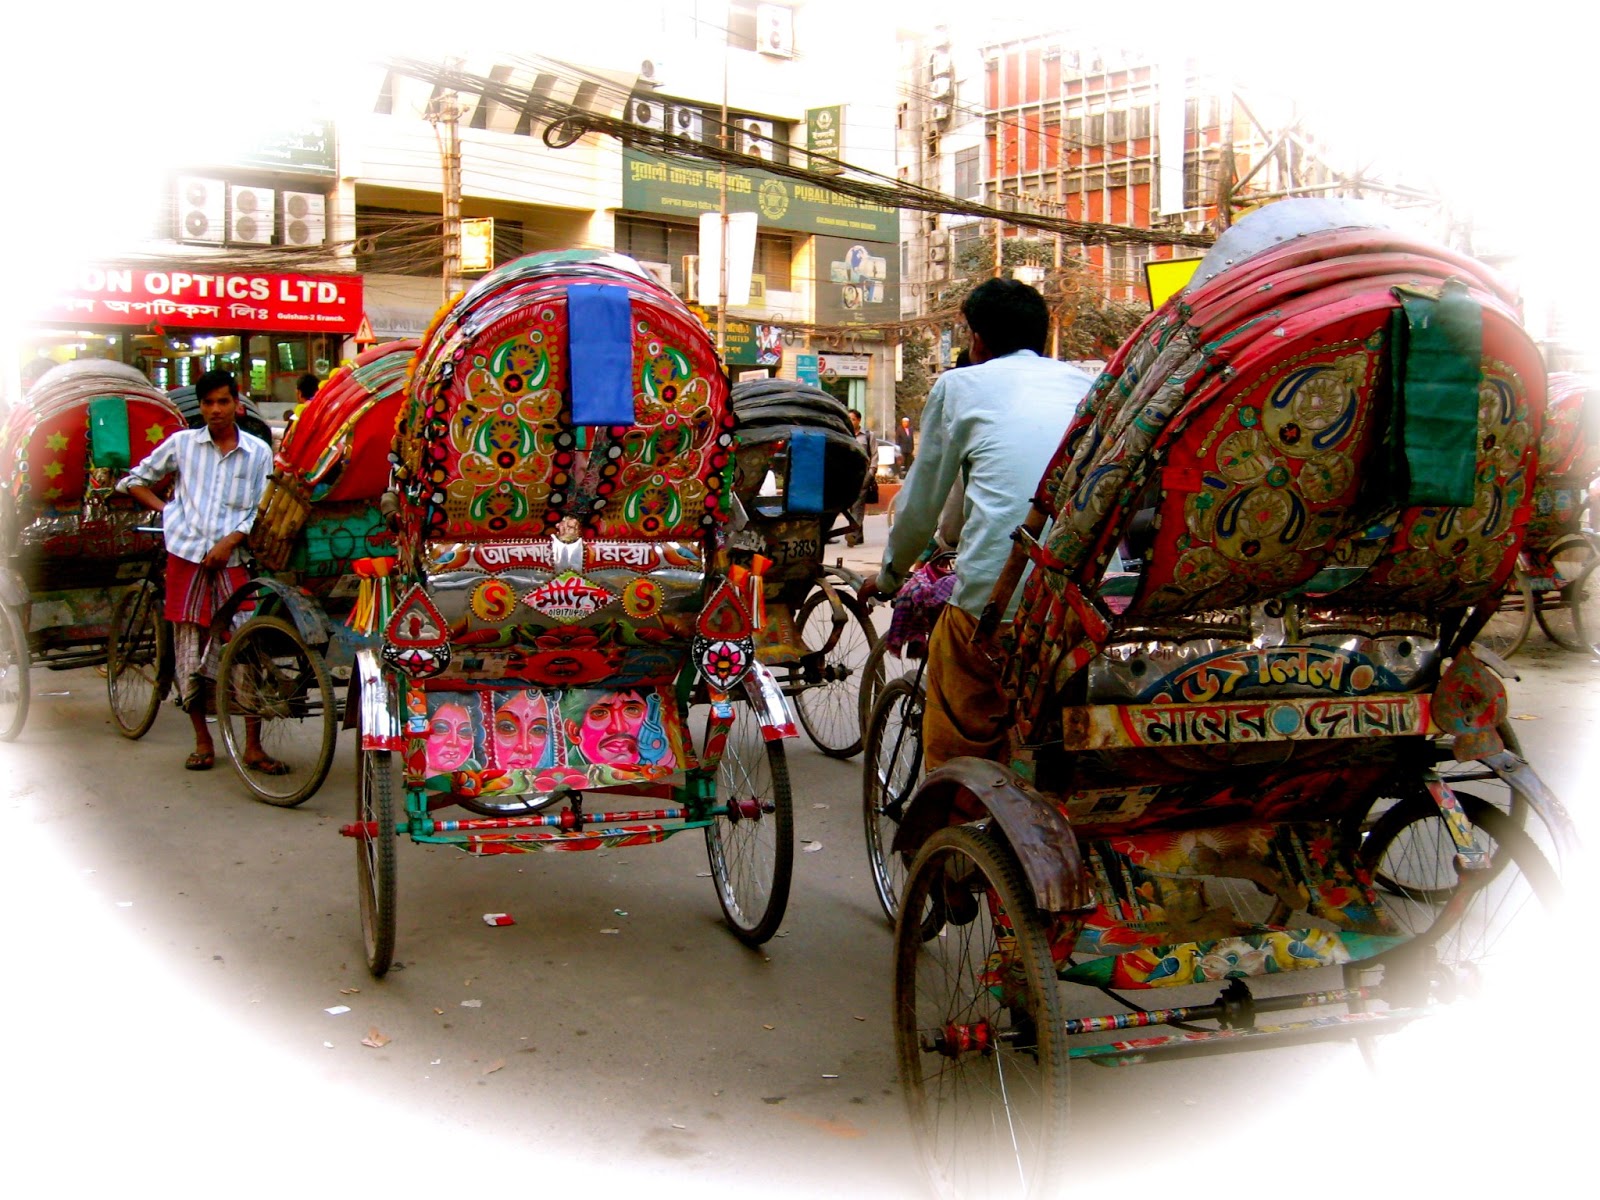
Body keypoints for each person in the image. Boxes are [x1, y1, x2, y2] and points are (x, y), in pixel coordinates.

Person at [861, 278, 1094, 772]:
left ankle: (954, 828)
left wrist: (889, 576)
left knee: (960, 715)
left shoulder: (958, 385)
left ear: (977, 340)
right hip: (1086, 603)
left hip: (997, 603)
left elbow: (922, 506)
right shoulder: (1086, 385)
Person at [118, 368, 277, 772]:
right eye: (208, 403)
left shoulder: (259, 450)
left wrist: (231, 541)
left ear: (236, 404)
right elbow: (135, 481)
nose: (216, 410)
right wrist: (167, 512)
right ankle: (202, 741)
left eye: (223, 401)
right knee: (189, 646)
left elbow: (260, 507)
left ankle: (253, 746)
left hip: (233, 559)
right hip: (186, 557)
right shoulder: (183, 444)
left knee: (245, 646)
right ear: (201, 407)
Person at [846, 409, 878, 547]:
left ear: (859, 420)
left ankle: (853, 534)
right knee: (849, 505)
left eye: (852, 419)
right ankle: (858, 535)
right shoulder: (845, 435)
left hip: (863, 475)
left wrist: (871, 473)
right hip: (848, 475)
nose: (850, 422)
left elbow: (875, 455)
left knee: (858, 505)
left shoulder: (868, 435)